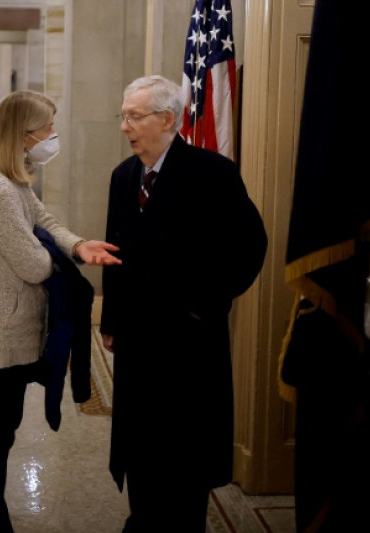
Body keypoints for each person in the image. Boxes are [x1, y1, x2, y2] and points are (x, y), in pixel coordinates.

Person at [100, 75, 267, 532]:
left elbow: (250, 247)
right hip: (137, 339)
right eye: (124, 116)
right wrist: (110, 320)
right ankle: (144, 518)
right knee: (141, 441)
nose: (126, 127)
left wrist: (203, 306)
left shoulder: (212, 173)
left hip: (188, 339)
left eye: (134, 117)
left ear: (167, 120)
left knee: (185, 447)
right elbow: (116, 253)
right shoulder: (123, 176)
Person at [0, 90, 121, 532]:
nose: (53, 135)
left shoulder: (9, 174)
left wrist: (78, 245)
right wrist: (67, 261)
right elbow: (32, 263)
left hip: (8, 317)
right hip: (2, 325)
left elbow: (42, 221)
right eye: (46, 128)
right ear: (22, 134)